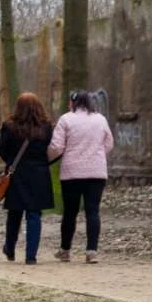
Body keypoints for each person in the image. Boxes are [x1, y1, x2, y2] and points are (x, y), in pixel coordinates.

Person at [48, 89, 115, 264]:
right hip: (96, 172)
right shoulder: (100, 119)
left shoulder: (65, 119)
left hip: (72, 173)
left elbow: (56, 146)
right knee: (93, 211)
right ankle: (92, 251)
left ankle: (65, 250)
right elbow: (109, 143)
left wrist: (50, 158)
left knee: (70, 212)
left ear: (73, 102)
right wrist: (97, 154)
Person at [0, 92, 55, 264]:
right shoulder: (46, 127)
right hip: (39, 175)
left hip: (17, 174)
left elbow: (2, 150)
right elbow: (53, 150)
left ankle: (10, 249)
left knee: (14, 213)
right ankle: (31, 256)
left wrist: (10, 162)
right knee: (34, 214)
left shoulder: (9, 126)